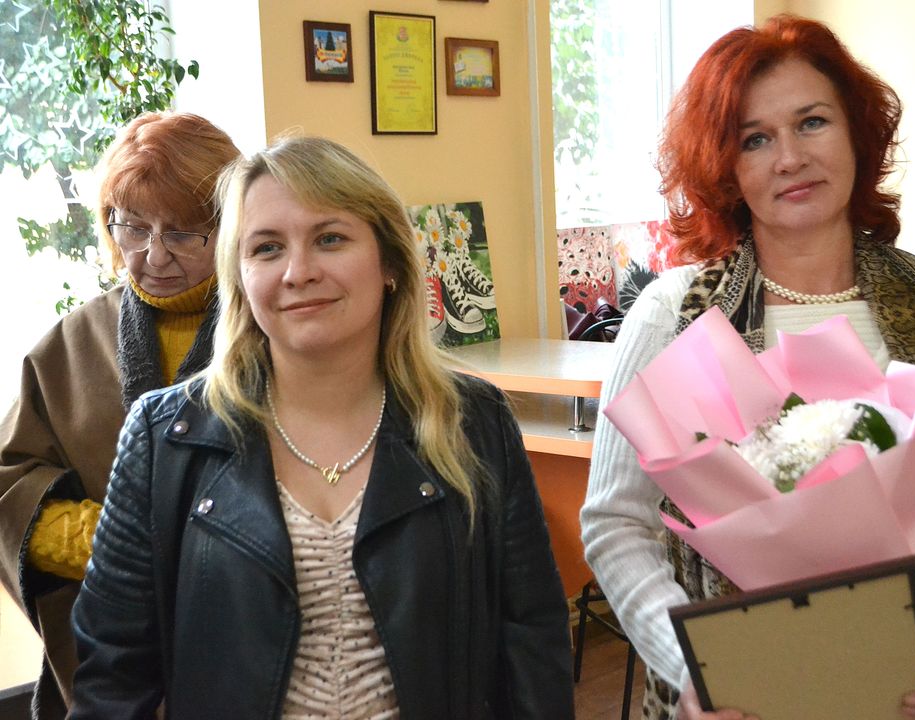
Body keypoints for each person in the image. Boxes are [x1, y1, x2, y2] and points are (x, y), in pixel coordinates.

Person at [69, 136, 574, 719]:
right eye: (266, 248)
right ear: (240, 278)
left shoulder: (472, 421)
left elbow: (532, 643)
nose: (298, 272)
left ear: (389, 263)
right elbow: (111, 676)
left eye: (330, 239)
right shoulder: (166, 436)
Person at [581, 15, 915, 720]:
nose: (789, 158)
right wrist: (695, 666)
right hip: (736, 696)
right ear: (726, 168)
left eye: (812, 123)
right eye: (755, 139)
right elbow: (615, 523)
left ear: (856, 134)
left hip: (912, 688)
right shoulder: (674, 314)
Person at [0, 111, 239, 719]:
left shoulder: (270, 331)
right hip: (110, 650)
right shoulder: (70, 343)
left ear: (232, 224)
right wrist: (116, 546)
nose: (154, 255)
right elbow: (9, 490)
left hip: (247, 641)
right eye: (132, 227)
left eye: (184, 233)